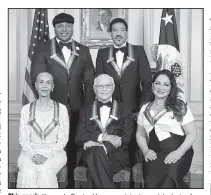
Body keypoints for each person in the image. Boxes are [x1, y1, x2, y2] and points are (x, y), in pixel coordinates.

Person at [30, 13, 95, 188]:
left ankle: (72, 186)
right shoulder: (43, 48)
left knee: (74, 148)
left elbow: (89, 82)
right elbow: (36, 79)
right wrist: (47, 106)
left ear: (73, 27)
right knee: (54, 148)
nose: (64, 29)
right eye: (60, 26)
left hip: (77, 109)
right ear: (54, 28)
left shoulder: (84, 50)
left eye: (68, 25)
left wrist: (88, 108)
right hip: (51, 109)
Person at [95, 17, 152, 164]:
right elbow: (98, 81)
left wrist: (143, 107)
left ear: (126, 32)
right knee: (112, 147)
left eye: (121, 30)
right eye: (114, 30)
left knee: (133, 146)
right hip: (109, 109)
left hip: (134, 109)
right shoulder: (102, 53)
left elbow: (147, 82)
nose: (118, 33)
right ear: (111, 33)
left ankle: (132, 182)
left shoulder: (138, 51)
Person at [136, 69, 197, 188]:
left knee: (170, 174)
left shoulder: (179, 106)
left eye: (166, 84)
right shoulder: (144, 108)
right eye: (157, 83)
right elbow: (140, 134)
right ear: (152, 85)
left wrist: (179, 152)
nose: (161, 88)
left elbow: (192, 133)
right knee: (150, 178)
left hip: (179, 150)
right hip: (154, 153)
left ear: (171, 87)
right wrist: (145, 150)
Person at [75, 74, 133, 188]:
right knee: (95, 153)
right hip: (88, 156)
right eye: (100, 86)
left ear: (113, 87)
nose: (104, 89)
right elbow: (79, 138)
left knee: (96, 151)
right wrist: (104, 137)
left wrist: (99, 144)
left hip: (116, 156)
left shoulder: (125, 109)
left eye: (107, 85)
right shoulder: (85, 110)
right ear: (94, 88)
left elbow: (127, 137)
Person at [17, 72, 69, 188]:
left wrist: (48, 154)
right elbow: (23, 139)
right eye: (41, 82)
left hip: (55, 153)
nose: (44, 86)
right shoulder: (26, 109)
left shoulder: (62, 109)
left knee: (45, 170)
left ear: (52, 86)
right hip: (29, 153)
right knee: (28, 172)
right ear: (35, 86)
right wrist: (33, 154)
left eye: (48, 82)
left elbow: (63, 140)